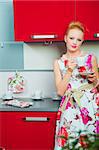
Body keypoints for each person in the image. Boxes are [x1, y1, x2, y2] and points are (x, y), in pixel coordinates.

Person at [54, 21, 99, 149]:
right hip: (70, 108)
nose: (74, 42)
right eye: (71, 38)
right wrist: (69, 70)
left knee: (90, 144)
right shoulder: (58, 63)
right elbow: (60, 92)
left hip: (91, 107)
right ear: (65, 38)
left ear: (82, 41)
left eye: (79, 40)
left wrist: (94, 79)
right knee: (70, 144)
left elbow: (97, 85)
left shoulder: (91, 58)